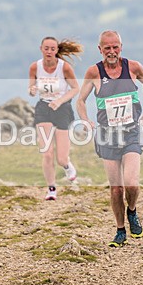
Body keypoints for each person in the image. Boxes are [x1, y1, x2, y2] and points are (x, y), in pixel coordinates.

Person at [76, 30, 143, 247]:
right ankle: (120, 230)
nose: (112, 52)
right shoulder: (94, 72)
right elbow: (80, 101)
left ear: (121, 47)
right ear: (100, 49)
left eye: (115, 47)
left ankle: (132, 211)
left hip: (131, 133)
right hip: (107, 136)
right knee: (116, 188)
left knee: (131, 184)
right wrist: (85, 120)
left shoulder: (133, 67)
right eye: (107, 48)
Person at [29, 36, 83, 200]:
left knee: (61, 158)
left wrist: (59, 101)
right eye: (46, 48)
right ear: (41, 49)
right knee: (46, 153)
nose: (49, 51)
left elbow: (75, 88)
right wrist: (32, 90)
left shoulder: (64, 67)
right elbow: (31, 87)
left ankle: (67, 165)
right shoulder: (35, 67)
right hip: (43, 108)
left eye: (52, 49)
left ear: (57, 50)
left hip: (62, 109)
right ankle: (51, 189)